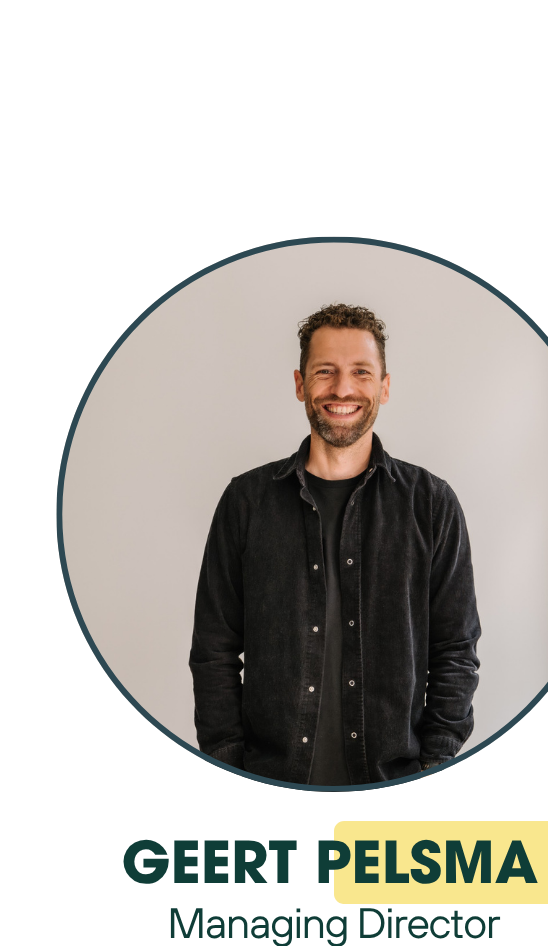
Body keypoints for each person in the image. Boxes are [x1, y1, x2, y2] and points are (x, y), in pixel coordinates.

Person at [189, 303, 481, 785]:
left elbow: (456, 648)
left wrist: (434, 763)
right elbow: (214, 649)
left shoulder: (431, 504)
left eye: (360, 373)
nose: (342, 389)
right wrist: (228, 760)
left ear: (384, 387)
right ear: (301, 383)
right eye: (325, 372)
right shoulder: (246, 501)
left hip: (395, 786)